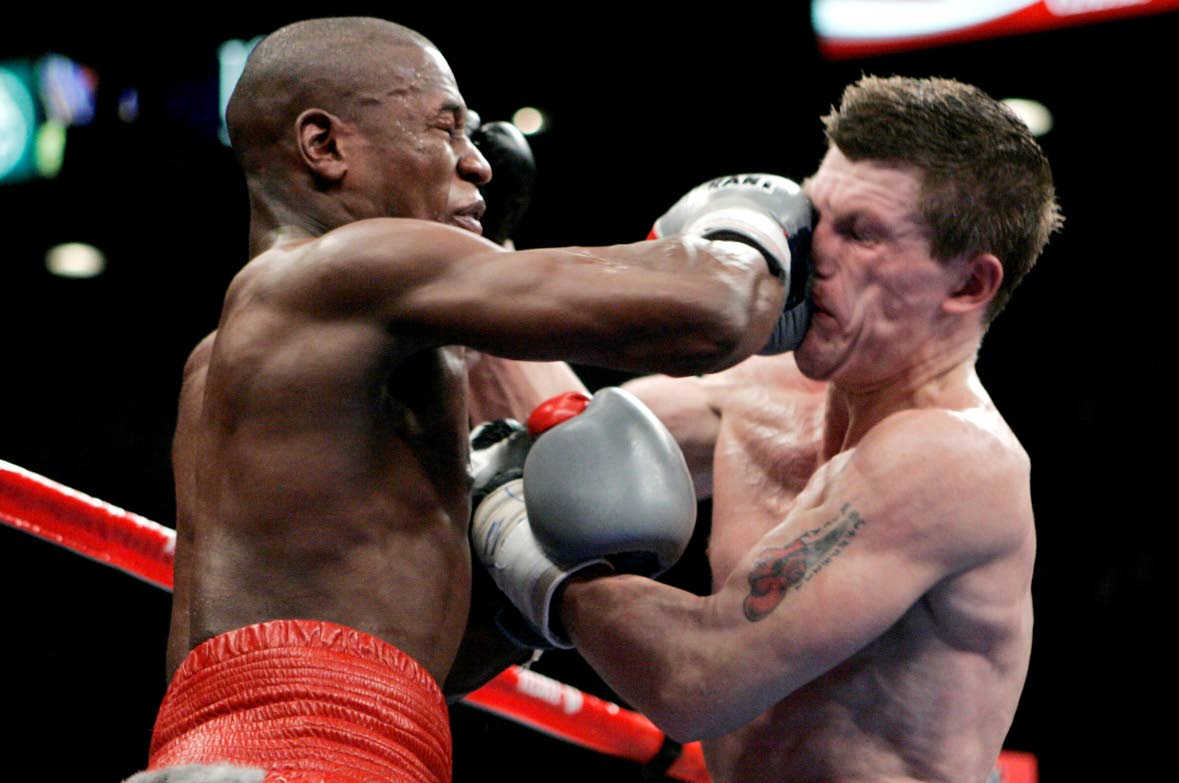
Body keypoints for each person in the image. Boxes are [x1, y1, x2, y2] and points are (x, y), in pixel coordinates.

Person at [139, 15, 814, 783]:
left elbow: (391, 666)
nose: (480, 162)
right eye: (445, 127)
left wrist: (513, 585)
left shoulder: (222, 361)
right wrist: (749, 230)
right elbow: (711, 312)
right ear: (324, 146)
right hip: (303, 760)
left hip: (270, 752)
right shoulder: (347, 266)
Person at [471, 74, 1062, 783]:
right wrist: (478, 257)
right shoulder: (764, 389)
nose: (812, 251)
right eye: (817, 212)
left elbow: (696, 678)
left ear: (967, 285)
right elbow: (562, 440)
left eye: (861, 233)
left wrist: (511, 536)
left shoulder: (954, 458)